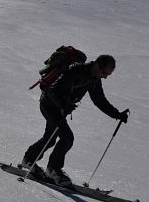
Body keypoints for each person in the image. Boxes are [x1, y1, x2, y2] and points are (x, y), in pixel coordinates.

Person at [20, 54, 129, 186]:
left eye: (107, 75)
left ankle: (29, 159)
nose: (105, 77)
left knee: (51, 138)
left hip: (60, 110)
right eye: (104, 73)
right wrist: (63, 105)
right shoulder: (75, 70)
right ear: (97, 65)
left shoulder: (94, 80)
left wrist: (117, 114)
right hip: (49, 105)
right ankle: (53, 170)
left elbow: (99, 100)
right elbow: (53, 90)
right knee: (67, 138)